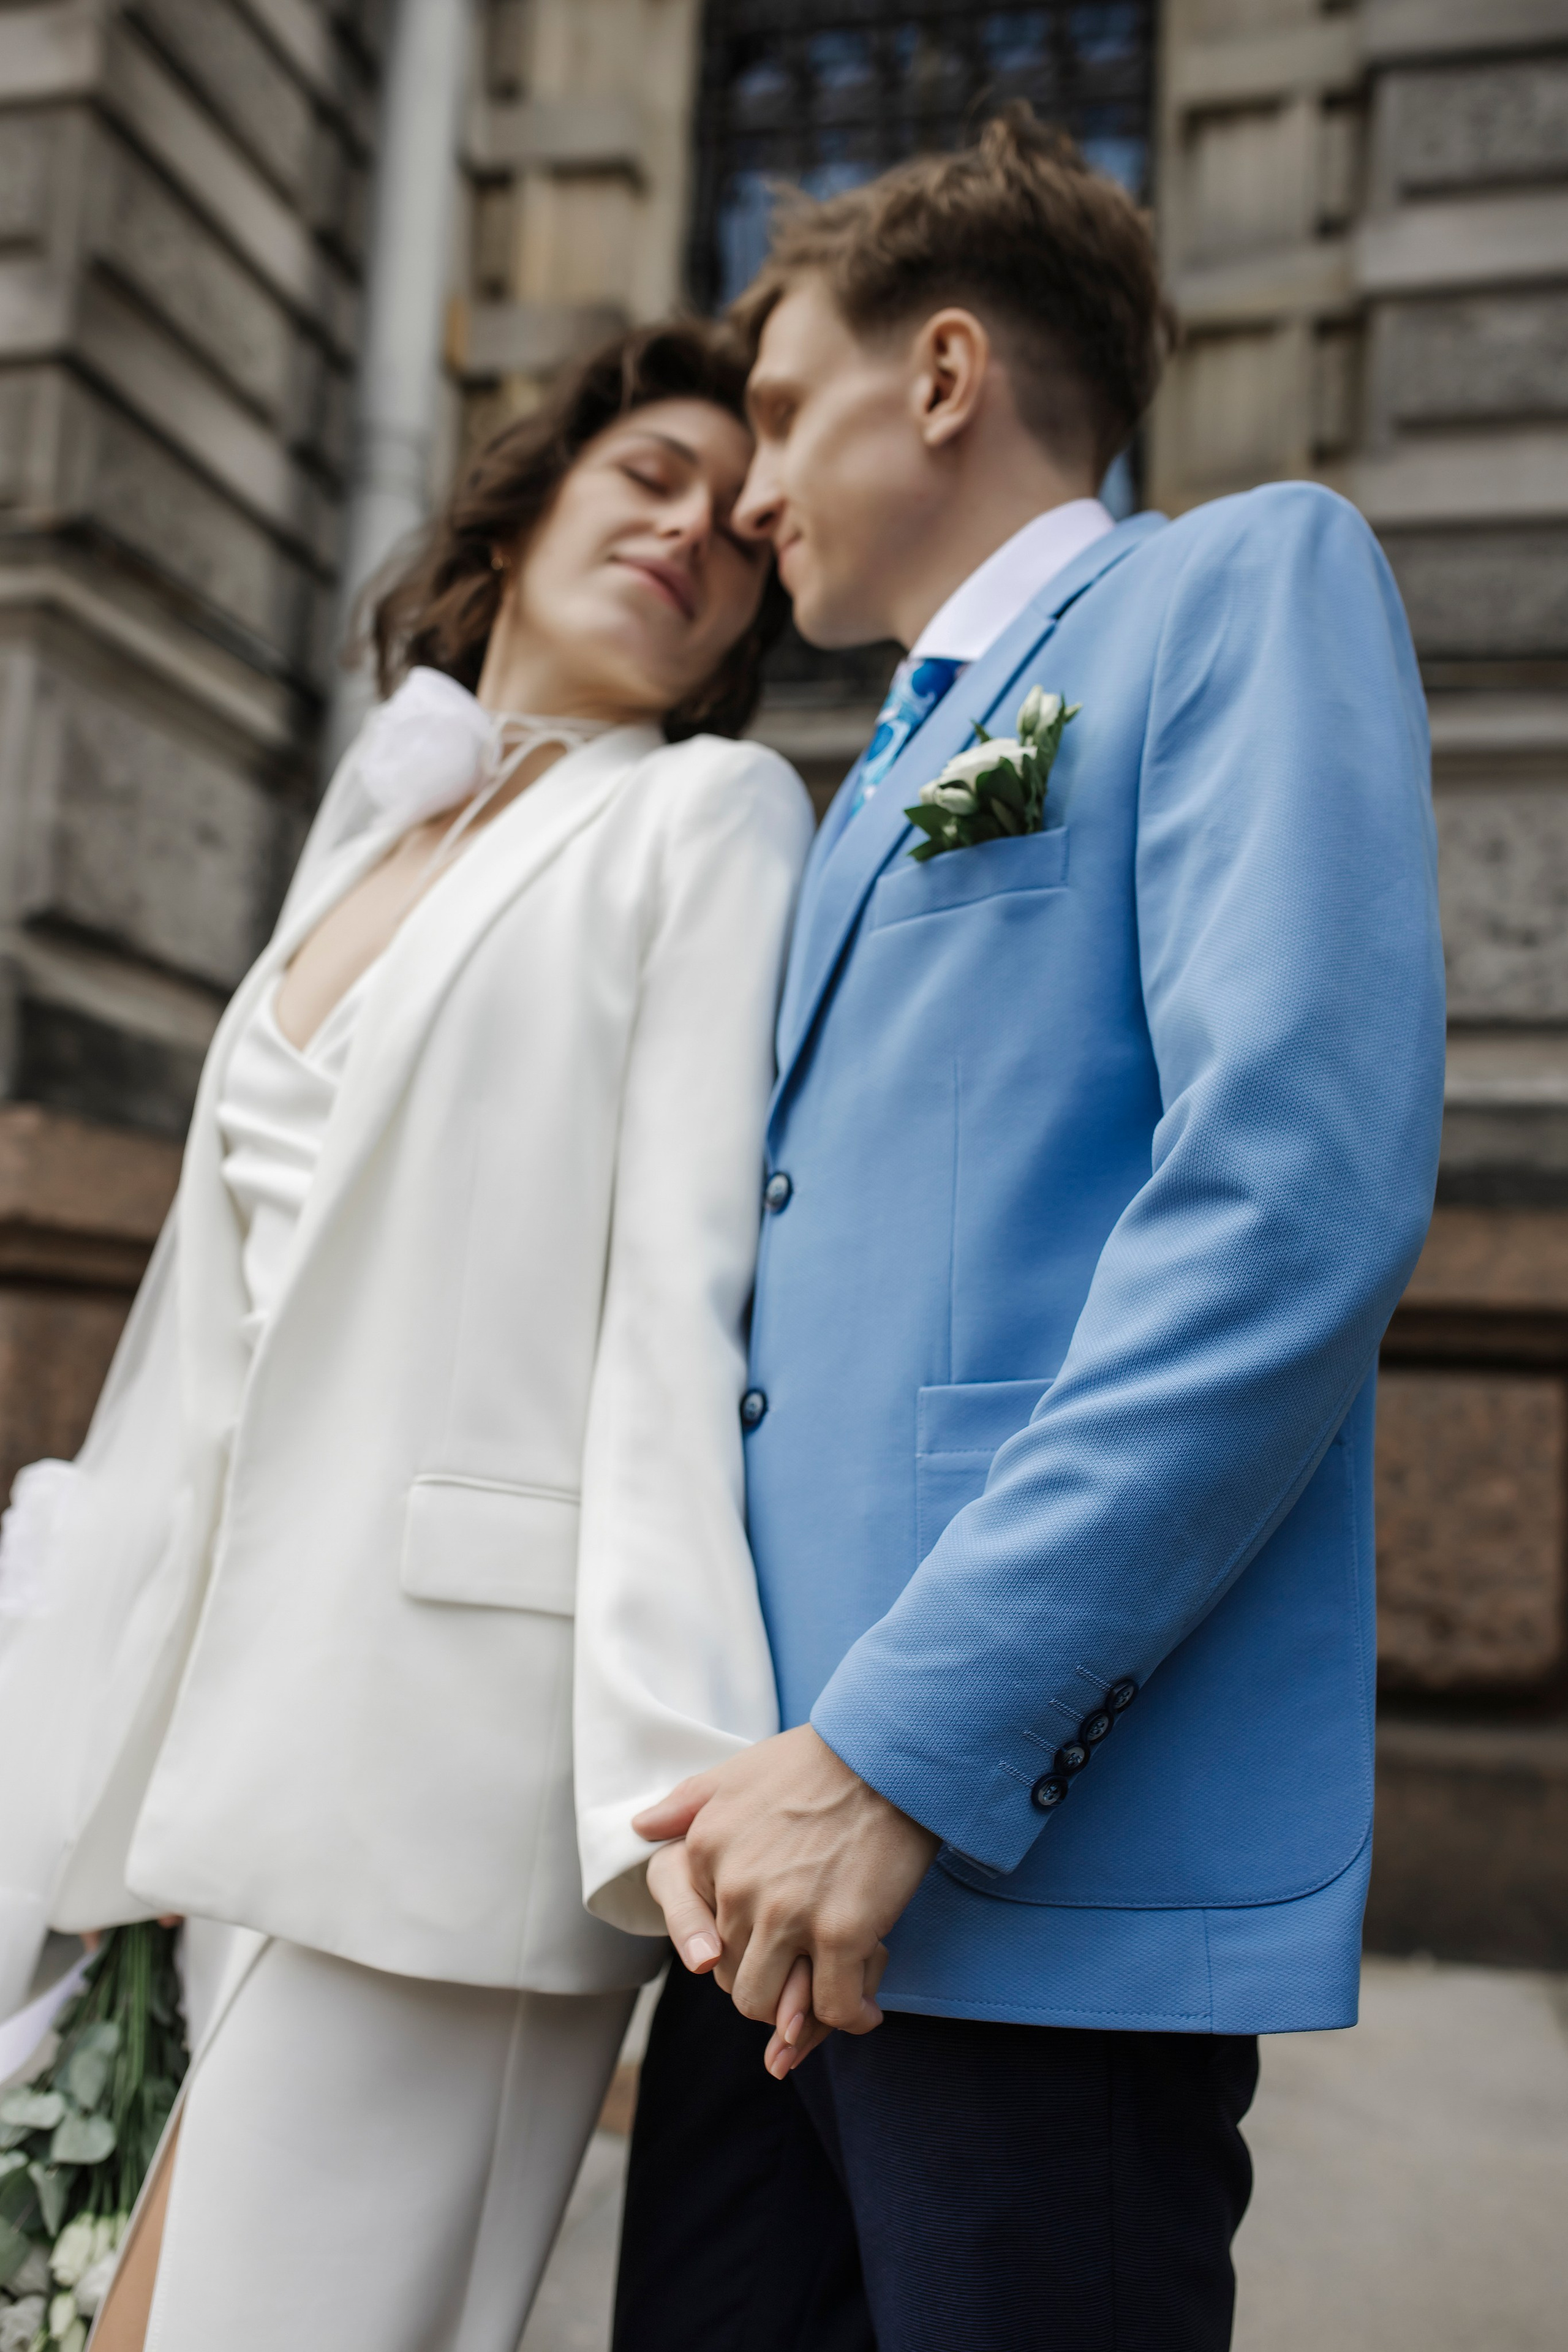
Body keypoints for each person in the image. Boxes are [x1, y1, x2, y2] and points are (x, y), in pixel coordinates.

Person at [616, 113, 1447, 2352]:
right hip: (754, 1890)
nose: (750, 489)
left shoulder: (1232, 586)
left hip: (1017, 1861)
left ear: (951, 371)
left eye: (785, 411)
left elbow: (1292, 1196)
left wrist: (901, 1754)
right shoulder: (846, 786)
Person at [0, 322, 813, 2352]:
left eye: (736, 523)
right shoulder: (376, 830)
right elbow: (215, 1333)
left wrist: (674, 1802)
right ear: (529, 502)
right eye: (648, 473)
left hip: (446, 1763)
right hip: (205, 1756)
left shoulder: (705, 818)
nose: (692, 528)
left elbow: (678, 1310)